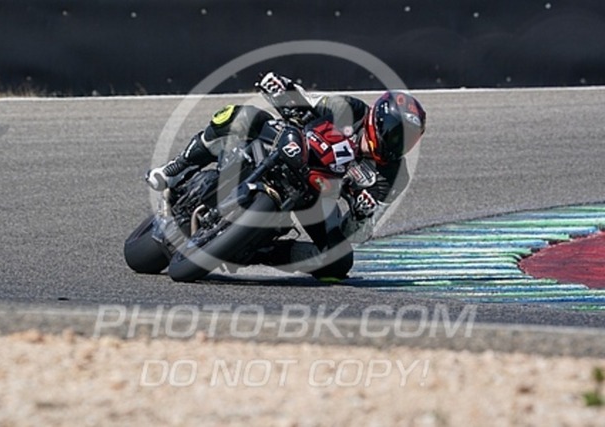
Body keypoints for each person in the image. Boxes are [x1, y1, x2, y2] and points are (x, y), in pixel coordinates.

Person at [146, 72, 426, 280]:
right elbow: (306, 104)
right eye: (396, 134)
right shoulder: (348, 108)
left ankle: (258, 252)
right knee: (241, 116)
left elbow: (359, 234)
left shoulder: (393, 175)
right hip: (291, 148)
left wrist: (361, 215)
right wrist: (282, 88)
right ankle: (177, 169)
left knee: (339, 262)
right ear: (379, 121)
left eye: (408, 140)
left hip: (317, 193)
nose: (399, 145)